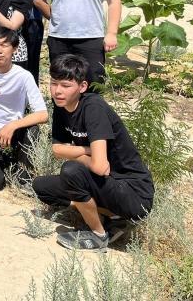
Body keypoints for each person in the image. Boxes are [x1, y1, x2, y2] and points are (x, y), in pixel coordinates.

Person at [32, 54, 154, 251]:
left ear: (82, 87)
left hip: (133, 193)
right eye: (54, 83)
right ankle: (113, 217)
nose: (57, 91)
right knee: (42, 187)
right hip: (104, 183)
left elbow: (98, 166)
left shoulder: (93, 107)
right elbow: (56, 149)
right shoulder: (61, 106)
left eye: (65, 85)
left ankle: (99, 235)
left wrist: (76, 155)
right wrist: (86, 150)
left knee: (71, 171)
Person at [0, 27, 48, 191]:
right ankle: (2, 162)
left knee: (32, 130)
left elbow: (43, 114)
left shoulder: (23, 76)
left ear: (15, 48)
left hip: (13, 132)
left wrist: (12, 125)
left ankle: (23, 176)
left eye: (4, 45)